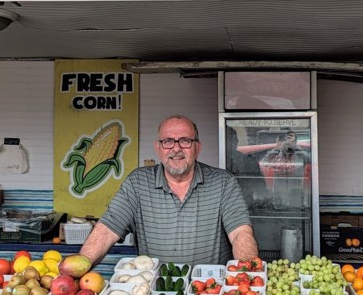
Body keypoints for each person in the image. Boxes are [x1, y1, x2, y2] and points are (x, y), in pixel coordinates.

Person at [79, 115, 259, 268]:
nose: (176, 148)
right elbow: (106, 231)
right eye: (168, 141)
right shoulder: (137, 183)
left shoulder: (223, 183)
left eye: (185, 141)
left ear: (197, 148)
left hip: (209, 294)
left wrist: (248, 276)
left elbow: (240, 233)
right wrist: (79, 268)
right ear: (158, 148)